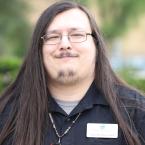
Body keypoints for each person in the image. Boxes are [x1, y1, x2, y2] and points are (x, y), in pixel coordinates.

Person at [0, 1, 145, 145]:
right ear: (38, 50)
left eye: (76, 34)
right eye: (53, 37)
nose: (64, 44)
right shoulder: (7, 113)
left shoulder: (134, 111)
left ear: (97, 46)